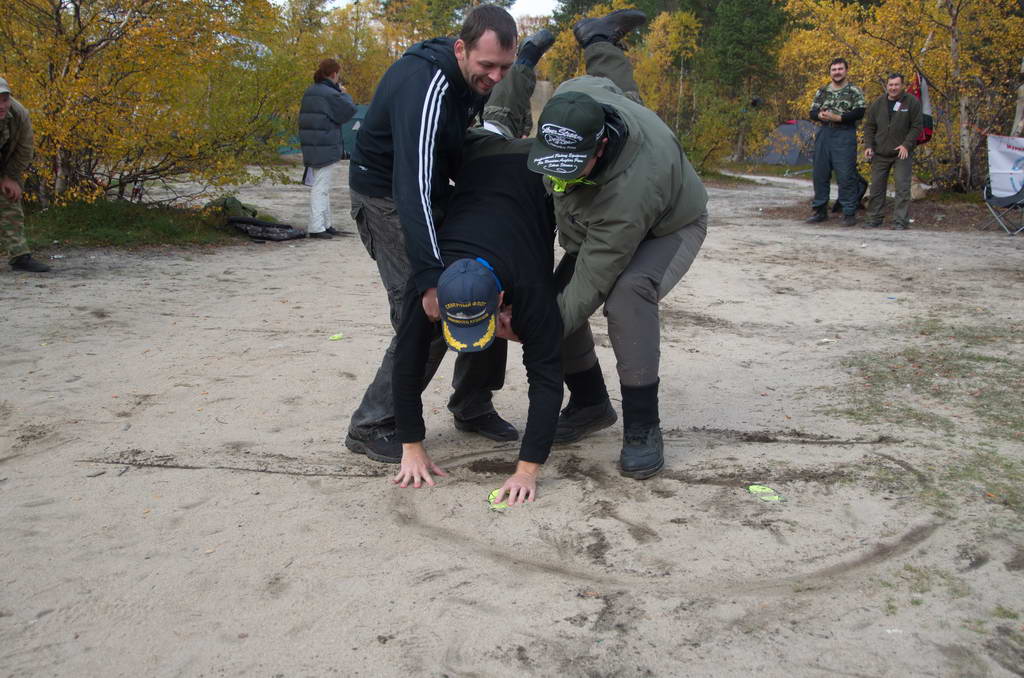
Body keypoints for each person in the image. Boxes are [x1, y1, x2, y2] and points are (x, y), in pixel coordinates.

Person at [525, 9, 709, 481]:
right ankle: (590, 403)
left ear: (601, 147)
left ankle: (643, 426)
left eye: (571, 167)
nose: (559, 177)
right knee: (551, 302)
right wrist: (593, 49)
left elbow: (594, 277)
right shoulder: (572, 101)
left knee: (627, 295)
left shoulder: (631, 189)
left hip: (670, 224)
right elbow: (612, 83)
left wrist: (538, 333)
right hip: (605, 220)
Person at [390, 35, 561, 505]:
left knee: (559, 121)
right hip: (480, 158)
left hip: (532, 171)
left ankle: (548, 61)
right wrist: (411, 446)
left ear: (503, 300)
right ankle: (523, 64)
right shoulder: (430, 284)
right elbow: (406, 361)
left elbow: (547, 377)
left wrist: (527, 471)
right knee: (498, 119)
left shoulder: (530, 285)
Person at [345, 5, 520, 463]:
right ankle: (373, 423)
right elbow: (412, 186)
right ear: (461, 49)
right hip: (386, 198)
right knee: (431, 311)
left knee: (481, 285)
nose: (496, 77)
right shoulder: (427, 84)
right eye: (488, 65)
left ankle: (472, 404)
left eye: (505, 67)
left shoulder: (471, 79)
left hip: (429, 192)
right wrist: (427, 277)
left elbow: (450, 155)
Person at [298, 58, 356, 240]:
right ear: (334, 74)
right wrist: (343, 93)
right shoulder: (329, 94)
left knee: (322, 185)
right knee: (321, 187)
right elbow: (348, 110)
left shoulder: (311, 91)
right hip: (325, 145)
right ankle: (316, 227)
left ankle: (326, 224)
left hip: (313, 144)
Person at [806, 58, 866, 227]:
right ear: (830, 72)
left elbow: (860, 111)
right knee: (820, 173)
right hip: (825, 132)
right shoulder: (823, 91)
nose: (837, 72)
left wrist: (838, 117)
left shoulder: (854, 90)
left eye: (840, 69)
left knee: (846, 174)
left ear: (846, 71)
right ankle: (820, 210)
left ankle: (848, 212)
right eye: (834, 69)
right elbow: (812, 111)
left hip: (844, 133)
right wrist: (820, 115)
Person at [863, 73, 924, 231]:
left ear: (902, 85)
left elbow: (917, 126)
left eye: (896, 85)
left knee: (902, 187)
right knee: (876, 187)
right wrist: (868, 146)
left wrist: (906, 145)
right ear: (887, 86)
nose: (893, 88)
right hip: (880, 152)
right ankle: (874, 218)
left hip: (902, 153)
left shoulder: (912, 102)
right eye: (890, 85)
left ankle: (900, 221)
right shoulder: (878, 103)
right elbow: (869, 126)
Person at [0, 77, 49, 273]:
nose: (1, 105)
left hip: (5, 161)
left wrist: (10, 177)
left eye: (5, 100)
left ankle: (19, 256)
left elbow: (25, 149)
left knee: (9, 198)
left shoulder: (19, 114)